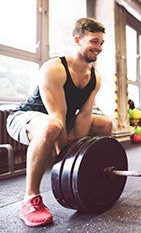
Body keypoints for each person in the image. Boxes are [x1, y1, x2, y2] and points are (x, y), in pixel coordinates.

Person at [6, 18, 113, 227]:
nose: (98, 48)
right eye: (93, 41)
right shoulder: (54, 68)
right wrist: (65, 166)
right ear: (77, 40)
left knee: (104, 125)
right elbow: (57, 116)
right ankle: (30, 199)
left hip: (62, 119)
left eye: (101, 43)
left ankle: (90, 176)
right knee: (52, 126)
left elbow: (83, 117)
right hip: (26, 117)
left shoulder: (95, 78)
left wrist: (80, 169)